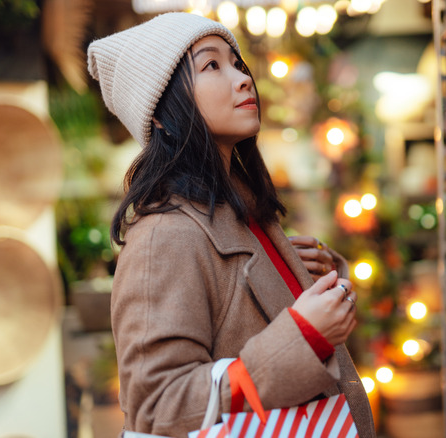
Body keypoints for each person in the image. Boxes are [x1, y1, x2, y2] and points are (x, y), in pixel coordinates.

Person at [86, 12, 375, 438]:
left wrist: (307, 279)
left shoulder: (243, 211)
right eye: (211, 66)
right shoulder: (163, 236)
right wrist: (303, 334)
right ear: (163, 113)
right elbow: (156, 403)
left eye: (236, 63)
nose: (243, 79)